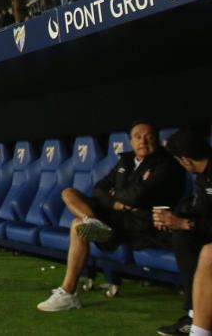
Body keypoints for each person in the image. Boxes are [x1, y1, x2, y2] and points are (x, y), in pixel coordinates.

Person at [37, 121, 185, 312]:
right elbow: (99, 188)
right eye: (138, 137)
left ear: (156, 140)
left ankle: (68, 293)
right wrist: (116, 202)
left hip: (139, 224)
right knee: (68, 193)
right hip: (114, 216)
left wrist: (115, 196)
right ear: (131, 141)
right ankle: (91, 221)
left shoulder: (165, 164)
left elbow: (136, 195)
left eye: (149, 137)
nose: (143, 141)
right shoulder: (126, 161)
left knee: (77, 226)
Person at [154, 129, 212, 335]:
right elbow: (202, 212)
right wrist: (174, 219)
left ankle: (199, 328)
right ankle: (193, 313)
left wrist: (186, 223)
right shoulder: (203, 177)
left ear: (185, 160)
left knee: (207, 252)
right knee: (181, 236)